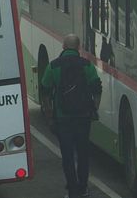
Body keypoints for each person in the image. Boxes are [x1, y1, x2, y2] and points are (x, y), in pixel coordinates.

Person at [41, 34, 103, 198]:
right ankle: (83, 188)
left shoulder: (53, 66)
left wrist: (49, 115)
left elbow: (45, 92)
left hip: (63, 119)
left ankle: (73, 191)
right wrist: (94, 109)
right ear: (78, 47)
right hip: (83, 117)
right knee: (83, 154)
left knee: (67, 155)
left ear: (63, 47)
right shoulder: (87, 66)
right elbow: (97, 88)